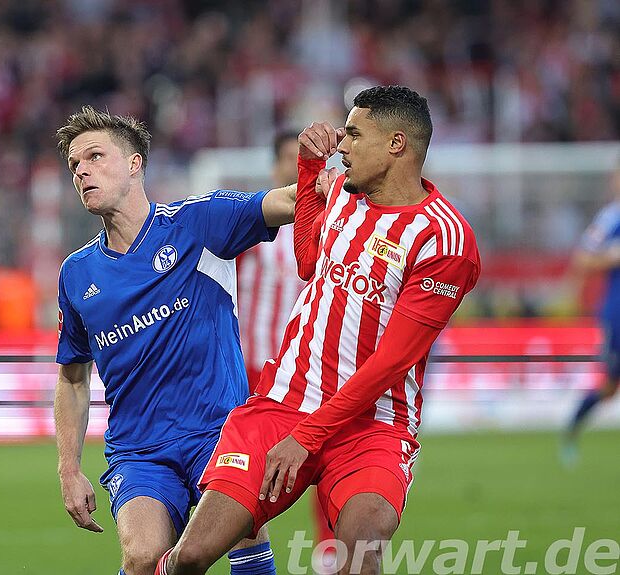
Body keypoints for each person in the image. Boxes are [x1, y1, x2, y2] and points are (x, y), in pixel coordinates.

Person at [155, 85, 481, 575]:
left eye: (354, 134)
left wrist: (309, 434)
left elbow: (393, 360)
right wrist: (309, 170)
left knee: (361, 549)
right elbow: (308, 260)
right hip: (284, 402)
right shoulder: (344, 195)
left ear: (396, 144)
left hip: (374, 424)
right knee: (192, 556)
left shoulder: (445, 238)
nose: (342, 144)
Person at [54, 106, 296, 575]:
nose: (81, 170)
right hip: (139, 449)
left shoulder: (198, 222)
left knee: (246, 532)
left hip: (219, 431)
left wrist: (341, 182)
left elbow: (285, 202)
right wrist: (69, 468)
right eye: (74, 165)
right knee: (143, 556)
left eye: (95, 156)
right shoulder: (77, 273)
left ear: (134, 164)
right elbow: (72, 378)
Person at [236, 131, 336, 568]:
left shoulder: (333, 224)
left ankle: (330, 553)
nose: (293, 168)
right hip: (253, 369)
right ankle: (247, 556)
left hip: (310, 371)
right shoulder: (251, 226)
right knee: (246, 474)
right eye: (287, 160)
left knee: (329, 460)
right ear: (275, 166)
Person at [562, 163, 620, 465]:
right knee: (610, 387)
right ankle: (572, 430)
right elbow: (583, 259)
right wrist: (612, 256)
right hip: (616, 314)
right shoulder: (611, 218)